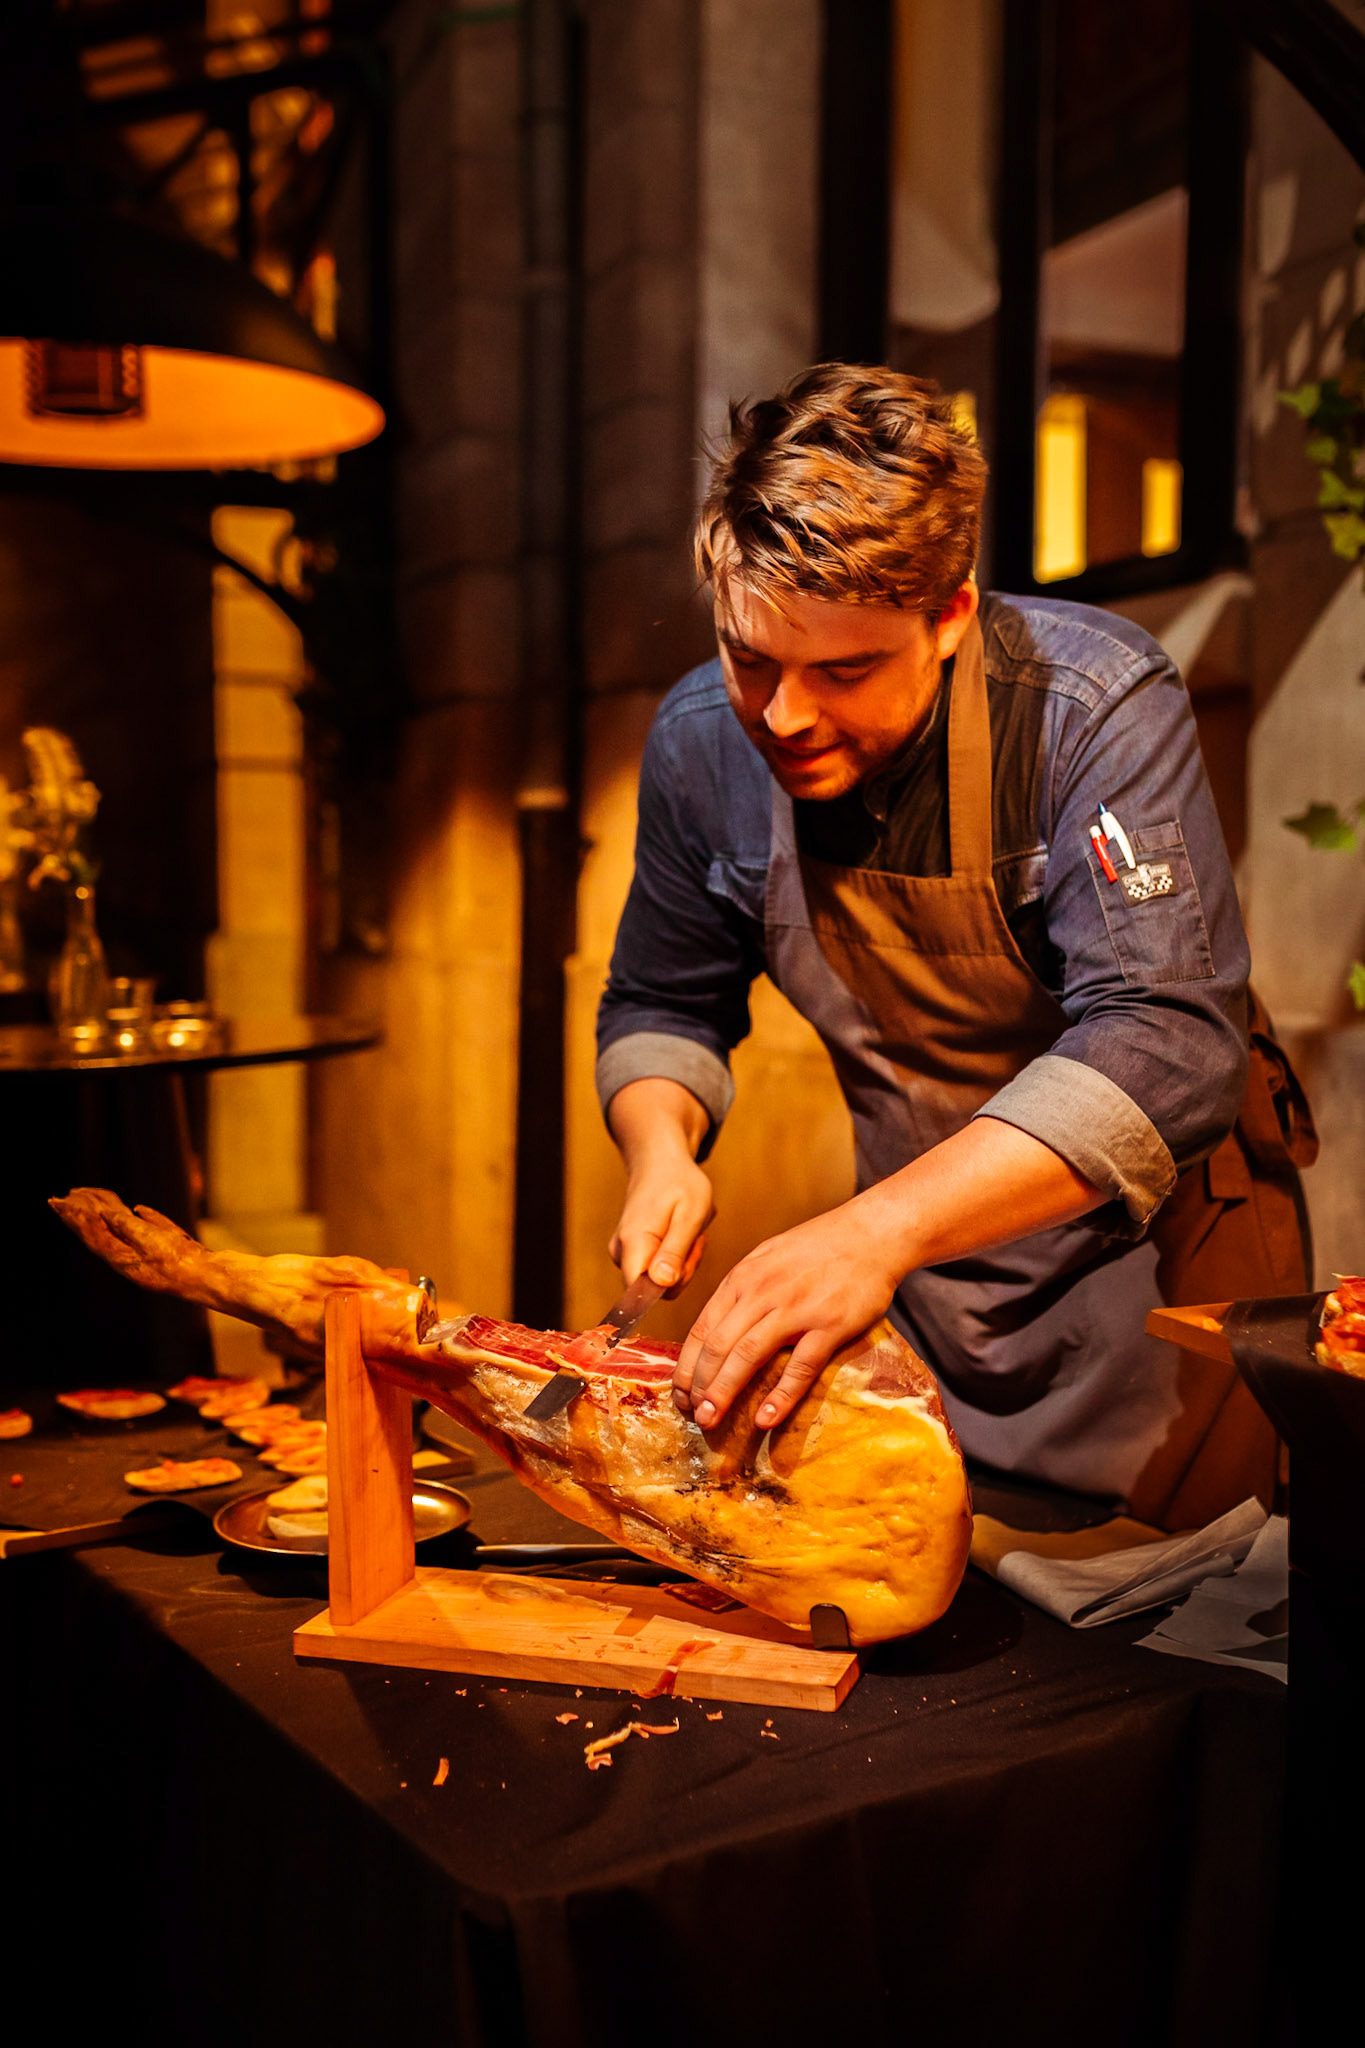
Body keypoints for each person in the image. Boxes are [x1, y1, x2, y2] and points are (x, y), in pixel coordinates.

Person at [596, 365, 1314, 1528]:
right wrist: (661, 1149)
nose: (783, 714)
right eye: (750, 658)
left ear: (948, 618)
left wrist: (873, 1230)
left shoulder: (1089, 705)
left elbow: (1168, 1039)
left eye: (844, 671)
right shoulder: (699, 743)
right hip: (928, 1279)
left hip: (1159, 1283)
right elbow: (662, 1000)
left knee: (1172, 1607)